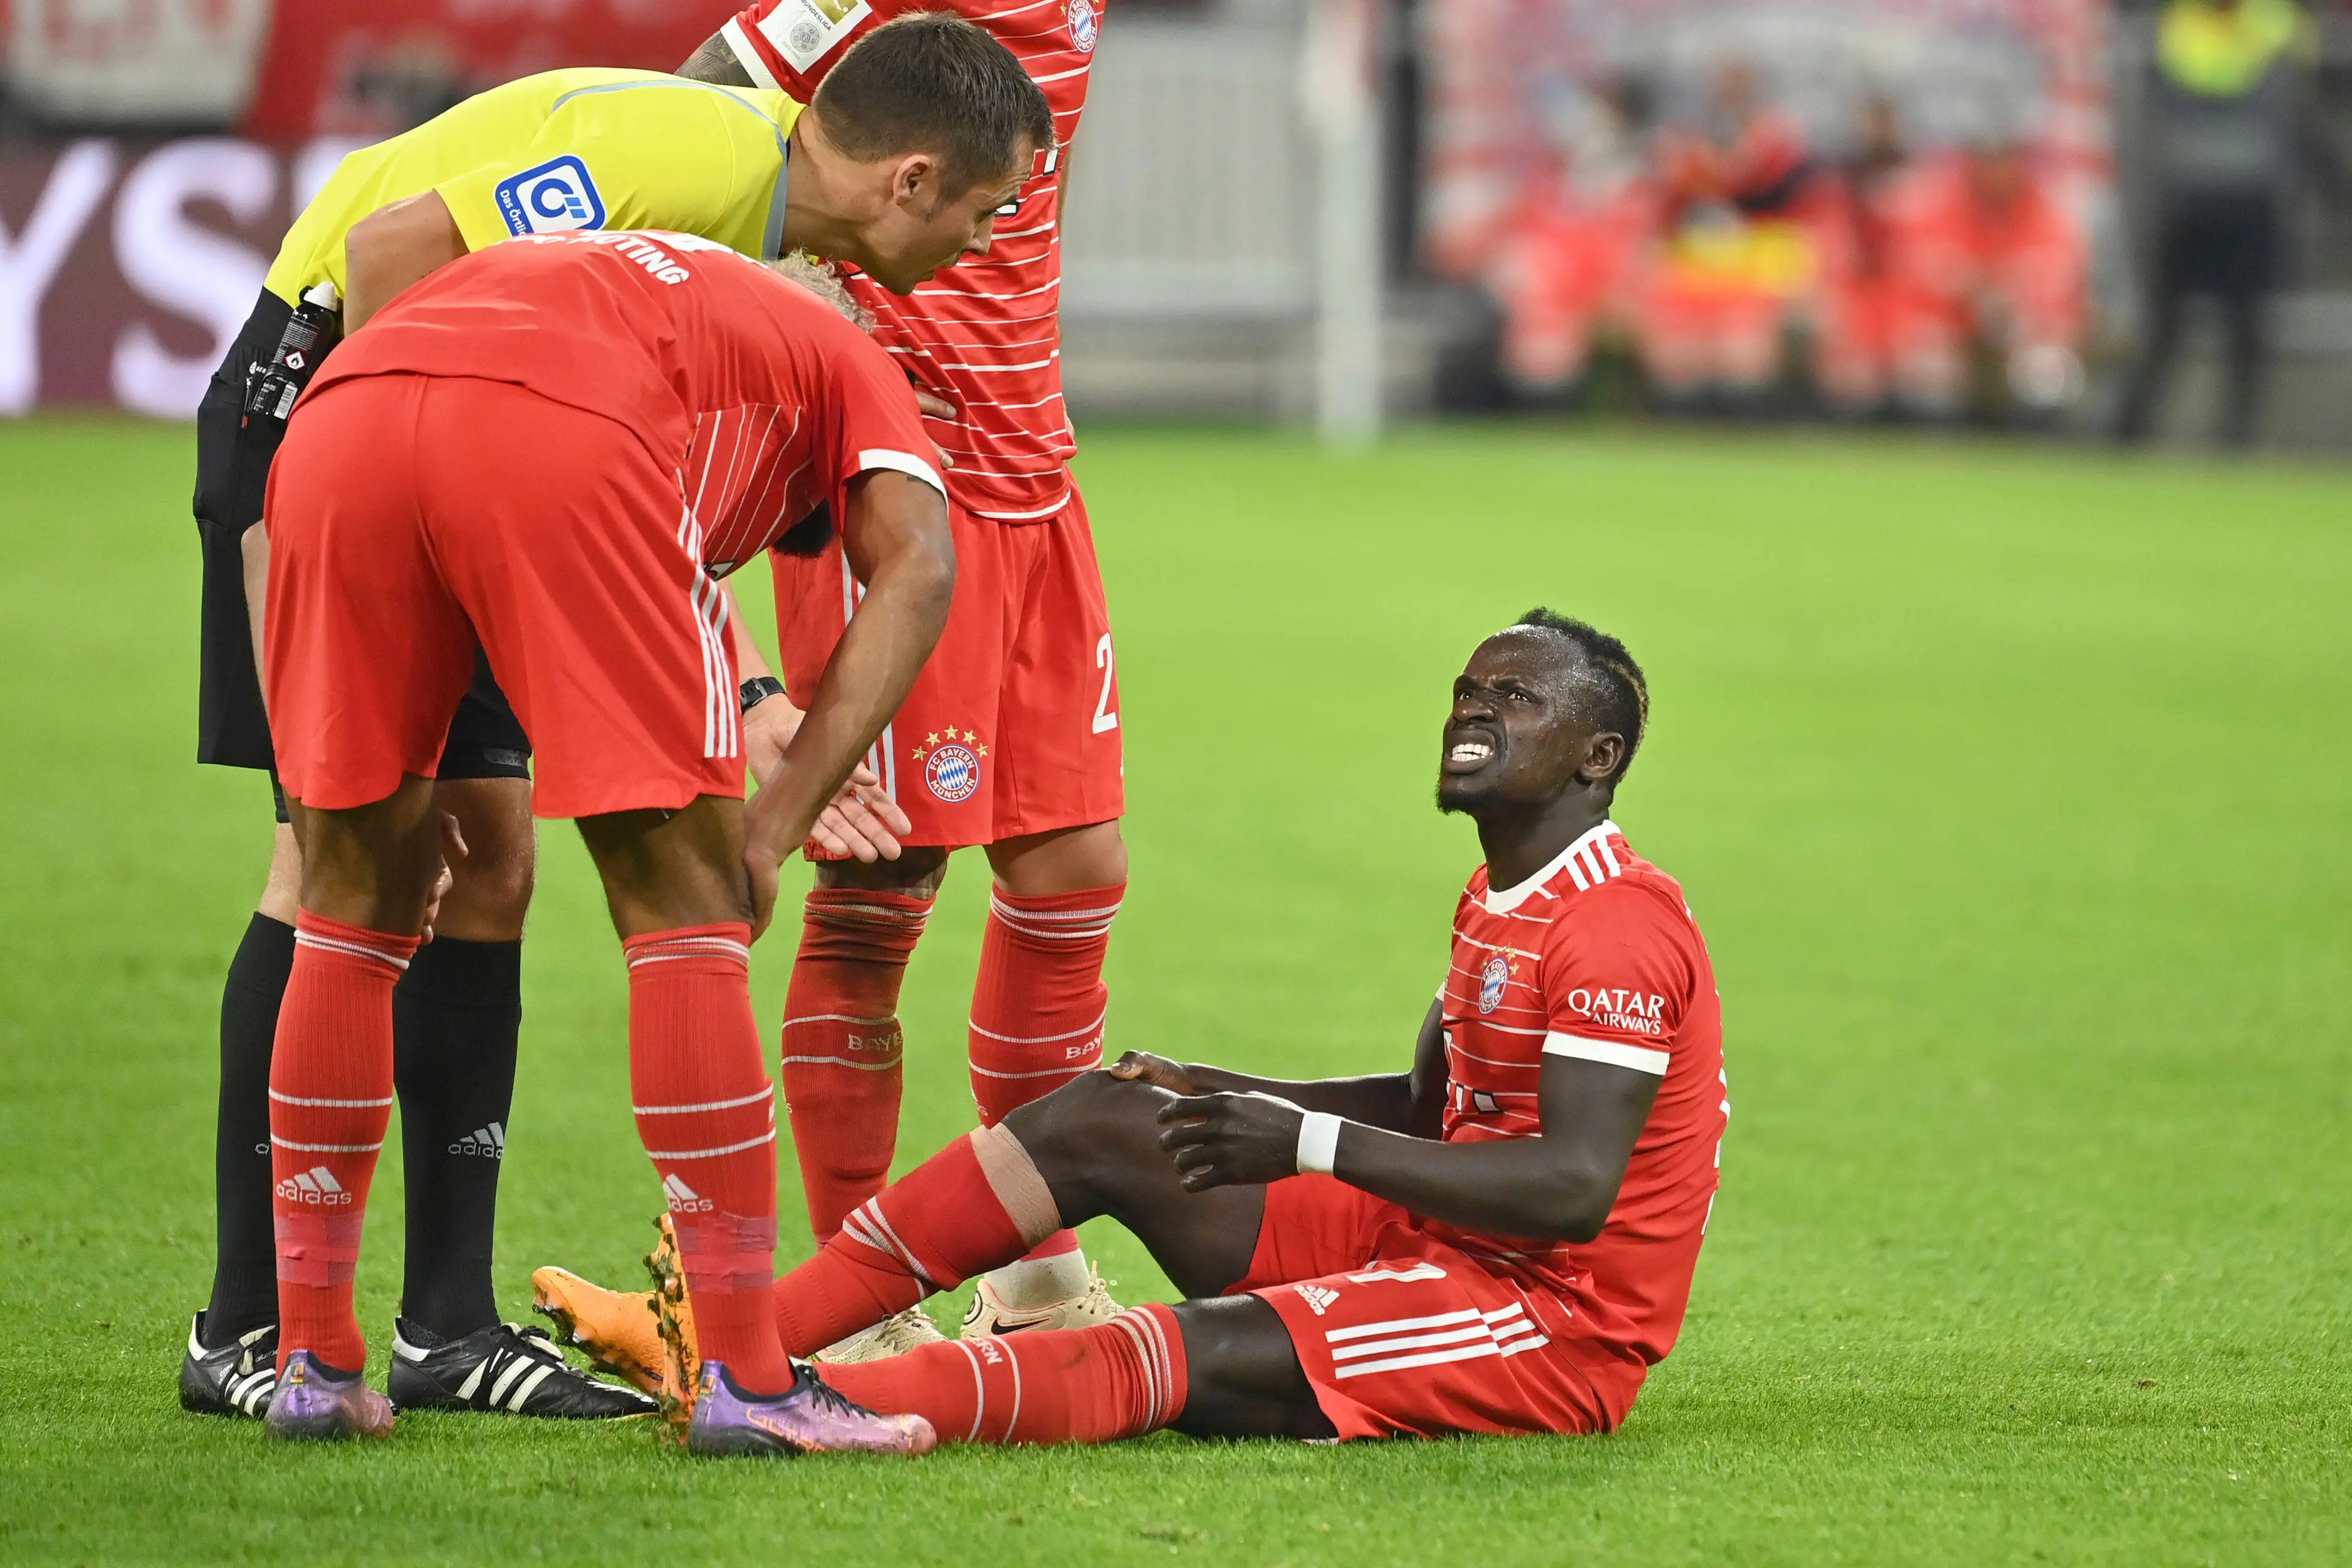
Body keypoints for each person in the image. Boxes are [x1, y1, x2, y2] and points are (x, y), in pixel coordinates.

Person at [182, 14, 1053, 1421]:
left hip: (365, 432)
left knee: (430, 873)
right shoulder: (716, 176)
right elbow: (398, 255)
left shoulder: (741, 259)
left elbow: (664, 504)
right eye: (987, 209)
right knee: (654, 895)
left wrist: (756, 691)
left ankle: (366, 1341)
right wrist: (764, 821)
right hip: (331, 386)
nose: (983, 246)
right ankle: (741, 1382)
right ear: (905, 177)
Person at [546, 611, 1729, 1444]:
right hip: (1433, 1228)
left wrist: (1302, 1147)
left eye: (1513, 700)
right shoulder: (1502, 898)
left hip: (1540, 1321)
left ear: (1598, 754)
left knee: (1177, 1352)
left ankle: (812, 1411)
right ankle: (729, 1346)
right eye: (1469, 692)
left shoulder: (1615, 930)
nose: (1473, 712)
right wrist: (1226, 1090)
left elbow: (1575, 1187)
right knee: (1107, 1118)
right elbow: (1430, 1111)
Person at [256, 227, 961, 1453]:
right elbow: (922, 564)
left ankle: (311, 1357)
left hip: (346, 411)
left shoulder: (660, 290)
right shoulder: (851, 352)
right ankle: (749, 1375)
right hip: (554, 429)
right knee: (686, 908)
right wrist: (771, 831)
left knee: (349, 902)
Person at [559, 0, 1132, 1359]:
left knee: (1072, 871)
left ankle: (1037, 1272)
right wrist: (790, 280)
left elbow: (1036, 166)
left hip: (1040, 480)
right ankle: (853, 1291)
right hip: (892, 483)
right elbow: (696, 107)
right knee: (883, 885)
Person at [2113, 0, 2325, 447]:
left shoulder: (2277, 25)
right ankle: (2130, 435)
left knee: (2247, 331)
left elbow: (2303, 116)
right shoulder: (2178, 24)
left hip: (2251, 204)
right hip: (2189, 202)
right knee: (2166, 329)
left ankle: (2234, 441)